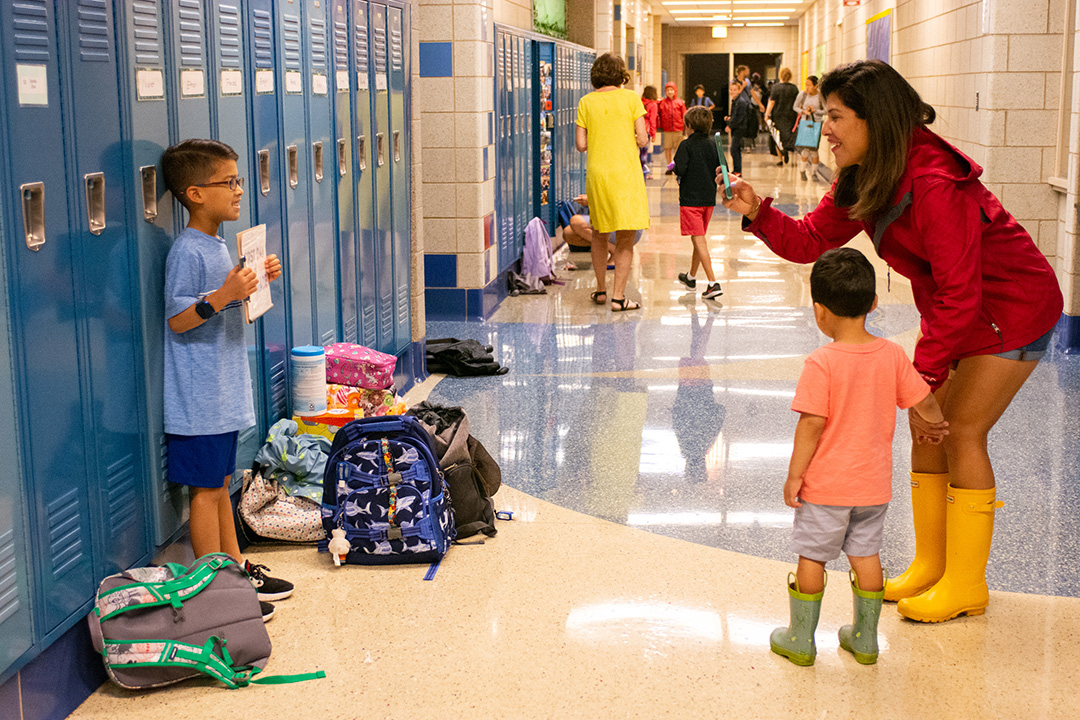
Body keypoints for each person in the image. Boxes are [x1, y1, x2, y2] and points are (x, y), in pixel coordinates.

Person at [721, 60, 1064, 624]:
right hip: (963, 310)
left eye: (834, 116)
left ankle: (967, 584)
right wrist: (758, 211)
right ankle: (932, 565)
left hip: (1012, 308)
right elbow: (811, 240)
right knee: (926, 427)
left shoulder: (930, 182)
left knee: (961, 429)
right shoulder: (870, 173)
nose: (822, 127)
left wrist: (920, 383)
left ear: (872, 119)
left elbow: (961, 292)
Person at [770, 247, 947, 667]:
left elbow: (810, 425)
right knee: (867, 555)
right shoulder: (892, 355)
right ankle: (865, 639)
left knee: (812, 555)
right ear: (873, 303)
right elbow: (924, 401)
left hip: (827, 487)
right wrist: (937, 426)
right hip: (874, 487)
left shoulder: (822, 362)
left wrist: (795, 476)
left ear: (819, 311)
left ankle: (801, 638)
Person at [160, 139, 291, 622]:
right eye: (229, 182)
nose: (239, 190)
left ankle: (235, 568)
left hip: (222, 390)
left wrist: (251, 281)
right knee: (206, 492)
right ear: (195, 193)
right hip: (199, 398)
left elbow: (226, 298)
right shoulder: (187, 250)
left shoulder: (217, 245)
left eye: (238, 180)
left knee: (223, 482)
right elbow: (177, 318)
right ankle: (213, 588)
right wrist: (224, 294)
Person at [576, 53, 650, 311]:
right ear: (621, 74)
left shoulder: (586, 102)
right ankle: (619, 298)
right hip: (625, 173)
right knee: (625, 237)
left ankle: (600, 291)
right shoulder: (631, 98)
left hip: (598, 174)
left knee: (599, 233)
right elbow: (642, 139)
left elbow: (581, 145)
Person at [672, 106, 723, 300]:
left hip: (690, 199)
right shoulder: (714, 145)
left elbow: (681, 169)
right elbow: (720, 168)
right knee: (698, 237)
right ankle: (691, 277)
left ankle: (712, 282)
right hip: (708, 199)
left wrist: (674, 167)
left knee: (698, 238)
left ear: (689, 125)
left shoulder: (686, 145)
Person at [792, 75, 826, 181]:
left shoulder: (820, 96)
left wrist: (815, 111)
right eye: (806, 84)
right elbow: (795, 107)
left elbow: (826, 110)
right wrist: (803, 111)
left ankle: (814, 173)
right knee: (805, 148)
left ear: (815, 86)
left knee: (814, 150)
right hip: (805, 123)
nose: (807, 87)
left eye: (809, 85)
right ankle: (802, 171)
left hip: (816, 124)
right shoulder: (802, 95)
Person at [765, 68, 800, 166]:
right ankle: (787, 149)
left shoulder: (776, 88)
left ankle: (781, 157)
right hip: (791, 115)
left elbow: (772, 102)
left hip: (778, 115)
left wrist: (766, 114)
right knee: (787, 134)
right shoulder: (794, 88)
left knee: (777, 136)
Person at [657, 81, 687, 172]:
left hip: (678, 130)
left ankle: (677, 166)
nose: (670, 92)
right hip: (667, 130)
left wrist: (686, 129)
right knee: (668, 149)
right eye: (667, 90)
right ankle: (669, 167)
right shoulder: (662, 103)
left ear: (675, 91)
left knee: (678, 150)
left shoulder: (680, 103)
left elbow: (684, 115)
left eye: (671, 90)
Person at [641, 86, 660, 180]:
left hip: (636, 130)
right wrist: (653, 134)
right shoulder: (653, 105)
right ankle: (643, 174)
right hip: (645, 131)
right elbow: (652, 121)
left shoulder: (640, 102)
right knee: (643, 154)